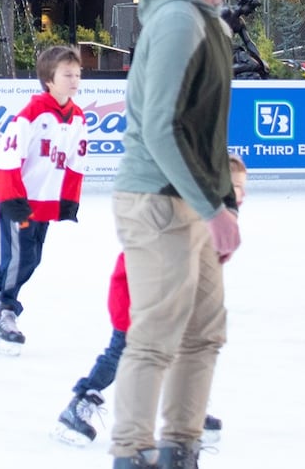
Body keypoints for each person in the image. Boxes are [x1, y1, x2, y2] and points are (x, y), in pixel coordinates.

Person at [110, 0, 247, 469]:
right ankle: (132, 453)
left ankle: (179, 449)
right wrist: (211, 207)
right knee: (155, 339)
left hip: (193, 201)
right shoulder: (177, 22)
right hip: (158, 203)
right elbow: (161, 126)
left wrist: (223, 200)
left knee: (204, 334)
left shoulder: (210, 20)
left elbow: (199, 127)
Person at [56, 154, 247, 448]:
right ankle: (81, 403)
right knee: (122, 353)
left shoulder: (212, 221)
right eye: (234, 186)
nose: (240, 194)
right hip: (136, 295)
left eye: (244, 188)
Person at [0, 45, 87, 355]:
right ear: (49, 79)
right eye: (67, 74)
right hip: (20, 203)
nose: (75, 80)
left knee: (31, 260)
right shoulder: (32, 114)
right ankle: (5, 312)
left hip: (45, 204)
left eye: (77, 74)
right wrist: (12, 201)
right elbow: (6, 158)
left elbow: (75, 162)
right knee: (19, 260)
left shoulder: (77, 117)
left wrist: (68, 201)